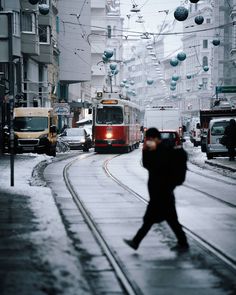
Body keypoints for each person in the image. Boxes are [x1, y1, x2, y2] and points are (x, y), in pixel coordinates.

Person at [124, 128, 189, 251]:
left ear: (154, 138)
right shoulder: (157, 149)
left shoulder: (164, 150)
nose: (147, 141)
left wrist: (150, 152)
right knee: (169, 219)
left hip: (162, 191)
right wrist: (147, 151)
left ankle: (136, 242)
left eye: (149, 138)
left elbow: (155, 166)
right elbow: (147, 165)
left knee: (151, 219)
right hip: (161, 191)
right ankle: (182, 242)